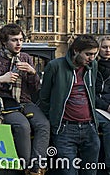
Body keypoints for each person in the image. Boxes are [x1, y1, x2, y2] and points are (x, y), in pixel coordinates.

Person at [0, 23, 50, 175]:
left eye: (21, 40)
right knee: (23, 126)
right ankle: (25, 167)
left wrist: (33, 73)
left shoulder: (26, 58)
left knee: (43, 124)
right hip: (4, 102)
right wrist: (1, 79)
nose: (19, 43)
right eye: (14, 40)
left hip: (25, 101)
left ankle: (37, 167)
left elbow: (35, 89)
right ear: (4, 42)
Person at [40, 34, 100, 175]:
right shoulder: (55, 66)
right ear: (76, 51)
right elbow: (44, 98)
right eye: (88, 54)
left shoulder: (93, 66)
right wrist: (54, 122)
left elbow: (92, 93)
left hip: (89, 128)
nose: (92, 58)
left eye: (94, 54)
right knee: (68, 172)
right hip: (65, 129)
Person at [96, 35, 110, 174]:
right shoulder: (93, 67)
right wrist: (107, 106)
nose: (108, 50)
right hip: (96, 106)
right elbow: (90, 93)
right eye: (104, 47)